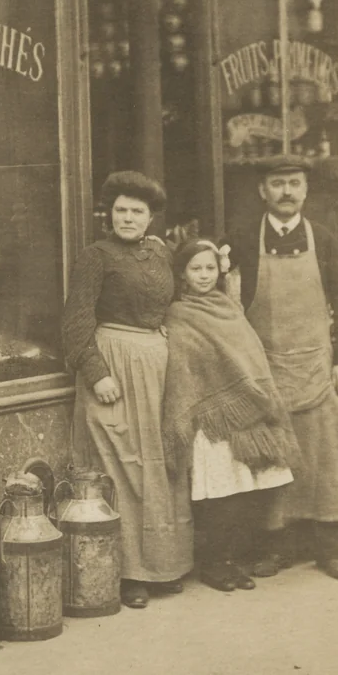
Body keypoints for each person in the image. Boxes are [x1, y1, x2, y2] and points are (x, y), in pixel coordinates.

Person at [225, 155, 338, 581]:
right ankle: (275, 547)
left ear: (305, 190)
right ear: (262, 191)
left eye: (294, 183)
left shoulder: (323, 239)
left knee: (325, 462)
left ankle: (330, 547)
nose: (286, 191)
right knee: (272, 462)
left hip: (316, 370)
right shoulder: (242, 240)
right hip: (264, 372)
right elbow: (224, 305)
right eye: (278, 183)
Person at [61, 171, 194, 609]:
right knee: (122, 467)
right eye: (121, 210)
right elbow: (76, 320)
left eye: (137, 211)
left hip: (156, 367)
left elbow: (188, 286)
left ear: (152, 217)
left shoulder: (160, 252)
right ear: (108, 214)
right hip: (113, 366)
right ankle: (128, 574)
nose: (128, 218)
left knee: (160, 465)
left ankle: (165, 566)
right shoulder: (95, 257)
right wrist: (96, 373)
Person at [162, 239, 297, 593]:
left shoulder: (229, 307)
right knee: (219, 493)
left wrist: (253, 394)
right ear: (183, 274)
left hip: (244, 416)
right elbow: (183, 367)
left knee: (245, 489)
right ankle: (214, 564)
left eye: (209, 268)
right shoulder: (178, 313)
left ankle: (232, 559)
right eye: (196, 269)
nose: (204, 276)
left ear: (219, 270)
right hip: (210, 419)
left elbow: (248, 354)